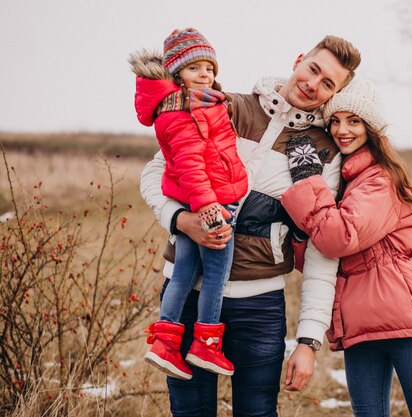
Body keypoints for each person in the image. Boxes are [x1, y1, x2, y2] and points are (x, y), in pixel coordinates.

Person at [140, 35, 361, 416]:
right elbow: (156, 171)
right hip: (186, 291)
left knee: (257, 412)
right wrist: (180, 220)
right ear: (298, 60)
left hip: (259, 305)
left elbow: (323, 252)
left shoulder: (324, 153)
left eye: (328, 84)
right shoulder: (225, 106)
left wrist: (308, 340)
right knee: (189, 410)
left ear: (334, 94)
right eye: (313, 69)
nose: (313, 84)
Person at [280, 79, 412, 417]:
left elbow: (339, 237)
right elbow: (319, 252)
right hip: (357, 324)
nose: (342, 130)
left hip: (405, 316)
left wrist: (306, 181)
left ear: (371, 127)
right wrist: (300, 232)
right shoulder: (343, 182)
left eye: (354, 121)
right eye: (335, 121)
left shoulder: (379, 179)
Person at [130, 28, 248, 379]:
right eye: (195, 68)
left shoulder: (193, 103)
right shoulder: (187, 109)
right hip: (214, 202)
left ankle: (165, 343)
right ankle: (206, 344)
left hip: (193, 200)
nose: (205, 75)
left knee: (183, 272)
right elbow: (191, 166)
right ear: (177, 72)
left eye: (209, 68)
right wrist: (210, 208)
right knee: (215, 275)